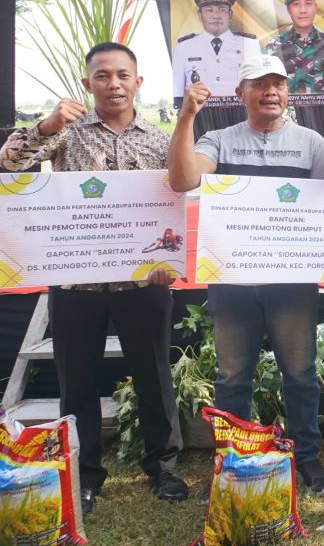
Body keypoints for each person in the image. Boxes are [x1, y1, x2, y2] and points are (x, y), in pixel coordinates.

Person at [0, 42, 187, 515]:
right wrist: (47, 125)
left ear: (138, 82)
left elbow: (177, 199)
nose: (114, 84)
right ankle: (84, 473)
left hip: (144, 282)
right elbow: (10, 163)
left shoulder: (160, 139)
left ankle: (163, 467)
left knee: (154, 376)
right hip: (75, 283)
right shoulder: (67, 133)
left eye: (123, 75)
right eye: (102, 76)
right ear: (88, 85)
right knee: (76, 380)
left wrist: (172, 257)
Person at [167, 52, 324, 495]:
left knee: (300, 374)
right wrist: (187, 116)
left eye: (278, 83)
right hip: (233, 282)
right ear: (241, 93)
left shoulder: (312, 144)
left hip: (292, 284)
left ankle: (307, 460)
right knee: (232, 380)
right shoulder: (220, 140)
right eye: (259, 84)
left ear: (287, 92)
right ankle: (232, 463)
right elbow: (183, 178)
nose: (270, 92)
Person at [170, 0, 256, 97]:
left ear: (230, 14)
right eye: (209, 10)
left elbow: (257, 86)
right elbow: (179, 95)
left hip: (242, 112)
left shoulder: (249, 45)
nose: (216, 16)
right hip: (200, 114)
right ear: (200, 15)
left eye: (222, 10)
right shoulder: (183, 48)